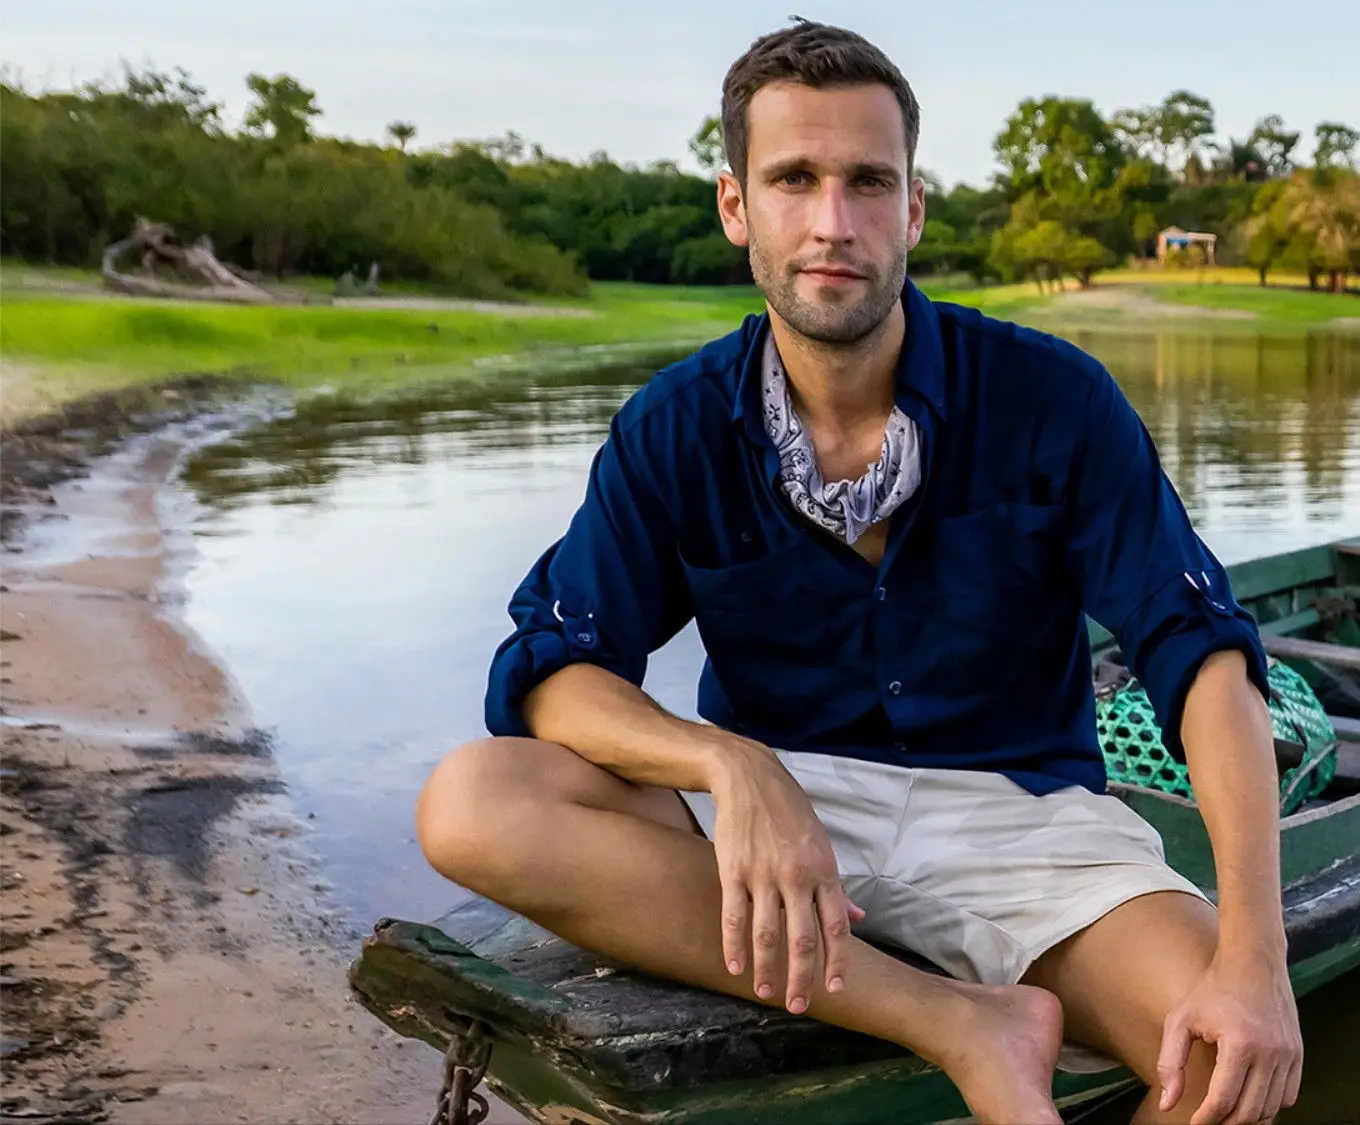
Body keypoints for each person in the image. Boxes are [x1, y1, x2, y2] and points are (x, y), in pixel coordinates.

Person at [415, 19, 1301, 1125]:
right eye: (793, 179)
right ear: (737, 206)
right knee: (471, 801)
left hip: (1022, 822)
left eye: (867, 182)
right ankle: (963, 1022)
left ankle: (1015, 1005)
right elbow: (554, 669)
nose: (833, 223)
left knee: (1219, 1063)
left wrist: (1255, 958)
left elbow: (1202, 659)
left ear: (912, 209)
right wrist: (732, 768)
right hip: (785, 812)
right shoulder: (675, 427)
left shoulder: (1054, 401)